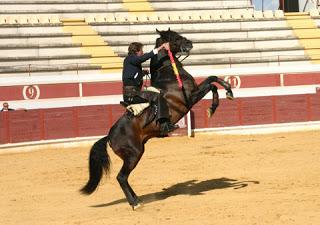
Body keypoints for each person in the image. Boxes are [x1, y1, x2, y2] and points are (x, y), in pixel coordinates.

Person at [122, 42, 177, 136]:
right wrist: (161, 47)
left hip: (133, 93)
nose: (142, 52)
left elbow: (131, 75)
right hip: (133, 94)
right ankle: (164, 126)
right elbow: (143, 58)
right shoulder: (131, 58)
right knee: (158, 96)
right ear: (136, 51)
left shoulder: (130, 60)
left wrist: (142, 73)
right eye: (141, 50)